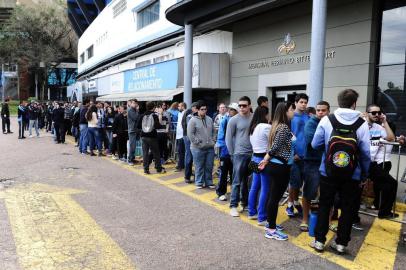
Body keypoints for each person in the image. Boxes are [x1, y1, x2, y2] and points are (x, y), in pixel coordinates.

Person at [310, 89, 370, 254]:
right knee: (348, 208)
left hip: (327, 171)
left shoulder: (327, 120)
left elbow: (315, 144)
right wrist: (364, 174)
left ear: (339, 102)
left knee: (325, 205)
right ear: (354, 103)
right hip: (352, 174)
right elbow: (365, 153)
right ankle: (342, 243)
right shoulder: (362, 124)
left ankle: (319, 241)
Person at [258, 101, 296, 240]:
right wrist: (266, 158)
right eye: (292, 109)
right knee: (274, 198)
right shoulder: (284, 127)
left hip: (277, 165)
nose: (294, 111)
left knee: (272, 196)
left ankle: (270, 223)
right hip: (280, 166)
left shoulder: (276, 125)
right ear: (286, 111)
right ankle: (271, 230)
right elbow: (275, 147)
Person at [300, 101, 330, 232]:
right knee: (309, 192)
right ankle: (305, 220)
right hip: (312, 162)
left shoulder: (331, 122)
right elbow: (314, 143)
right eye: (318, 110)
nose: (320, 112)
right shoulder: (311, 123)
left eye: (323, 110)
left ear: (328, 111)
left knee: (328, 193)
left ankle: (327, 222)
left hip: (327, 162)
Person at [366, 104, 398, 219]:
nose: (377, 115)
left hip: (372, 163)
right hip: (361, 162)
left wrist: (384, 122)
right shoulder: (362, 125)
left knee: (390, 183)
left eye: (379, 113)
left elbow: (391, 139)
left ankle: (384, 212)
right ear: (367, 113)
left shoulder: (378, 127)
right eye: (373, 113)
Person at [226, 96, 253, 217]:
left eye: (244, 105)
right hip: (239, 154)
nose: (241, 108)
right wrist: (232, 153)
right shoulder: (233, 120)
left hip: (252, 154)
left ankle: (245, 203)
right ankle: (233, 205)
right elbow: (228, 138)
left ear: (249, 106)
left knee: (248, 181)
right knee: (236, 181)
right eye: (240, 105)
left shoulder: (254, 118)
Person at [286, 93, 310, 217]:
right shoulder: (290, 117)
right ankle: (290, 205)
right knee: (293, 182)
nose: (303, 104)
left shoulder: (308, 117)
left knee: (299, 183)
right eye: (301, 102)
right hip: (294, 156)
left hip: (305, 156)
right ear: (295, 103)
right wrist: (292, 153)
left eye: (305, 102)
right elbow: (287, 136)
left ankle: (296, 202)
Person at [248, 106, 272, 225]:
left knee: (254, 187)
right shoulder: (266, 127)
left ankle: (252, 212)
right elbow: (273, 142)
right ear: (265, 115)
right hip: (263, 159)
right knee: (265, 188)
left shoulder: (253, 127)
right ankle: (262, 217)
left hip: (254, 158)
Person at [187, 102, 216, 188]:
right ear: (198, 110)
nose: (204, 111)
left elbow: (214, 131)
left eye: (205, 109)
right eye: (202, 109)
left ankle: (209, 182)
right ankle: (199, 182)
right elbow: (190, 134)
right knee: (199, 166)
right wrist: (197, 142)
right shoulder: (192, 120)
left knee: (209, 166)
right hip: (197, 148)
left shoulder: (210, 119)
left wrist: (213, 140)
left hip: (209, 147)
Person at [216, 103, 238, 201]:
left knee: (234, 173)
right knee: (223, 173)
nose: (230, 111)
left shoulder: (239, 120)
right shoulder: (225, 120)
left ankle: (234, 192)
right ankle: (221, 192)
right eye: (230, 109)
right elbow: (220, 136)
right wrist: (221, 149)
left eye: (233, 109)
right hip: (225, 152)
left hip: (236, 152)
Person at [137, 101, 165, 174]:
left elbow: (138, 126)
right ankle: (158, 169)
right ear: (153, 107)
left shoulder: (142, 115)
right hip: (152, 136)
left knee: (145, 153)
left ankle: (146, 169)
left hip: (143, 136)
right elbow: (157, 126)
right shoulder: (154, 115)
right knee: (156, 153)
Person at [182, 101, 199, 183]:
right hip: (190, 137)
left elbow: (183, 124)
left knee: (189, 156)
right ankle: (189, 176)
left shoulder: (187, 113)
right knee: (191, 156)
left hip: (186, 136)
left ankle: (188, 176)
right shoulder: (190, 114)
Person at [127, 99, 140, 165]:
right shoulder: (130, 110)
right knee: (132, 146)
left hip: (136, 130)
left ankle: (132, 158)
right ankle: (130, 160)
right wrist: (137, 110)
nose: (135, 104)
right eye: (134, 103)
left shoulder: (134, 110)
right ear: (131, 104)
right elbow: (135, 118)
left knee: (134, 146)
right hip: (132, 130)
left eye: (136, 103)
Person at [175, 102, 186, 172]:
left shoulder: (185, 113)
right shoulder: (179, 113)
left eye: (179, 106)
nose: (178, 107)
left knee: (181, 151)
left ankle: (180, 166)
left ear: (183, 107)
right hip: (178, 135)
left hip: (183, 135)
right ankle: (181, 165)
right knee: (180, 151)